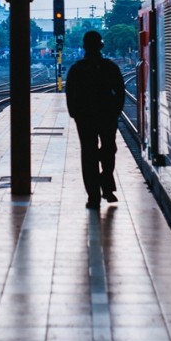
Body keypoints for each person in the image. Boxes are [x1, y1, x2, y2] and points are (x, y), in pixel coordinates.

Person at [65, 30, 125, 209]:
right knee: (109, 150)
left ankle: (93, 195)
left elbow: (70, 95)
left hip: (85, 118)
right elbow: (120, 92)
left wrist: (75, 113)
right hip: (107, 116)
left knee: (88, 153)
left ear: (84, 47)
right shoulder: (110, 67)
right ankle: (106, 185)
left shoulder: (77, 69)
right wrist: (115, 111)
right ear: (101, 46)